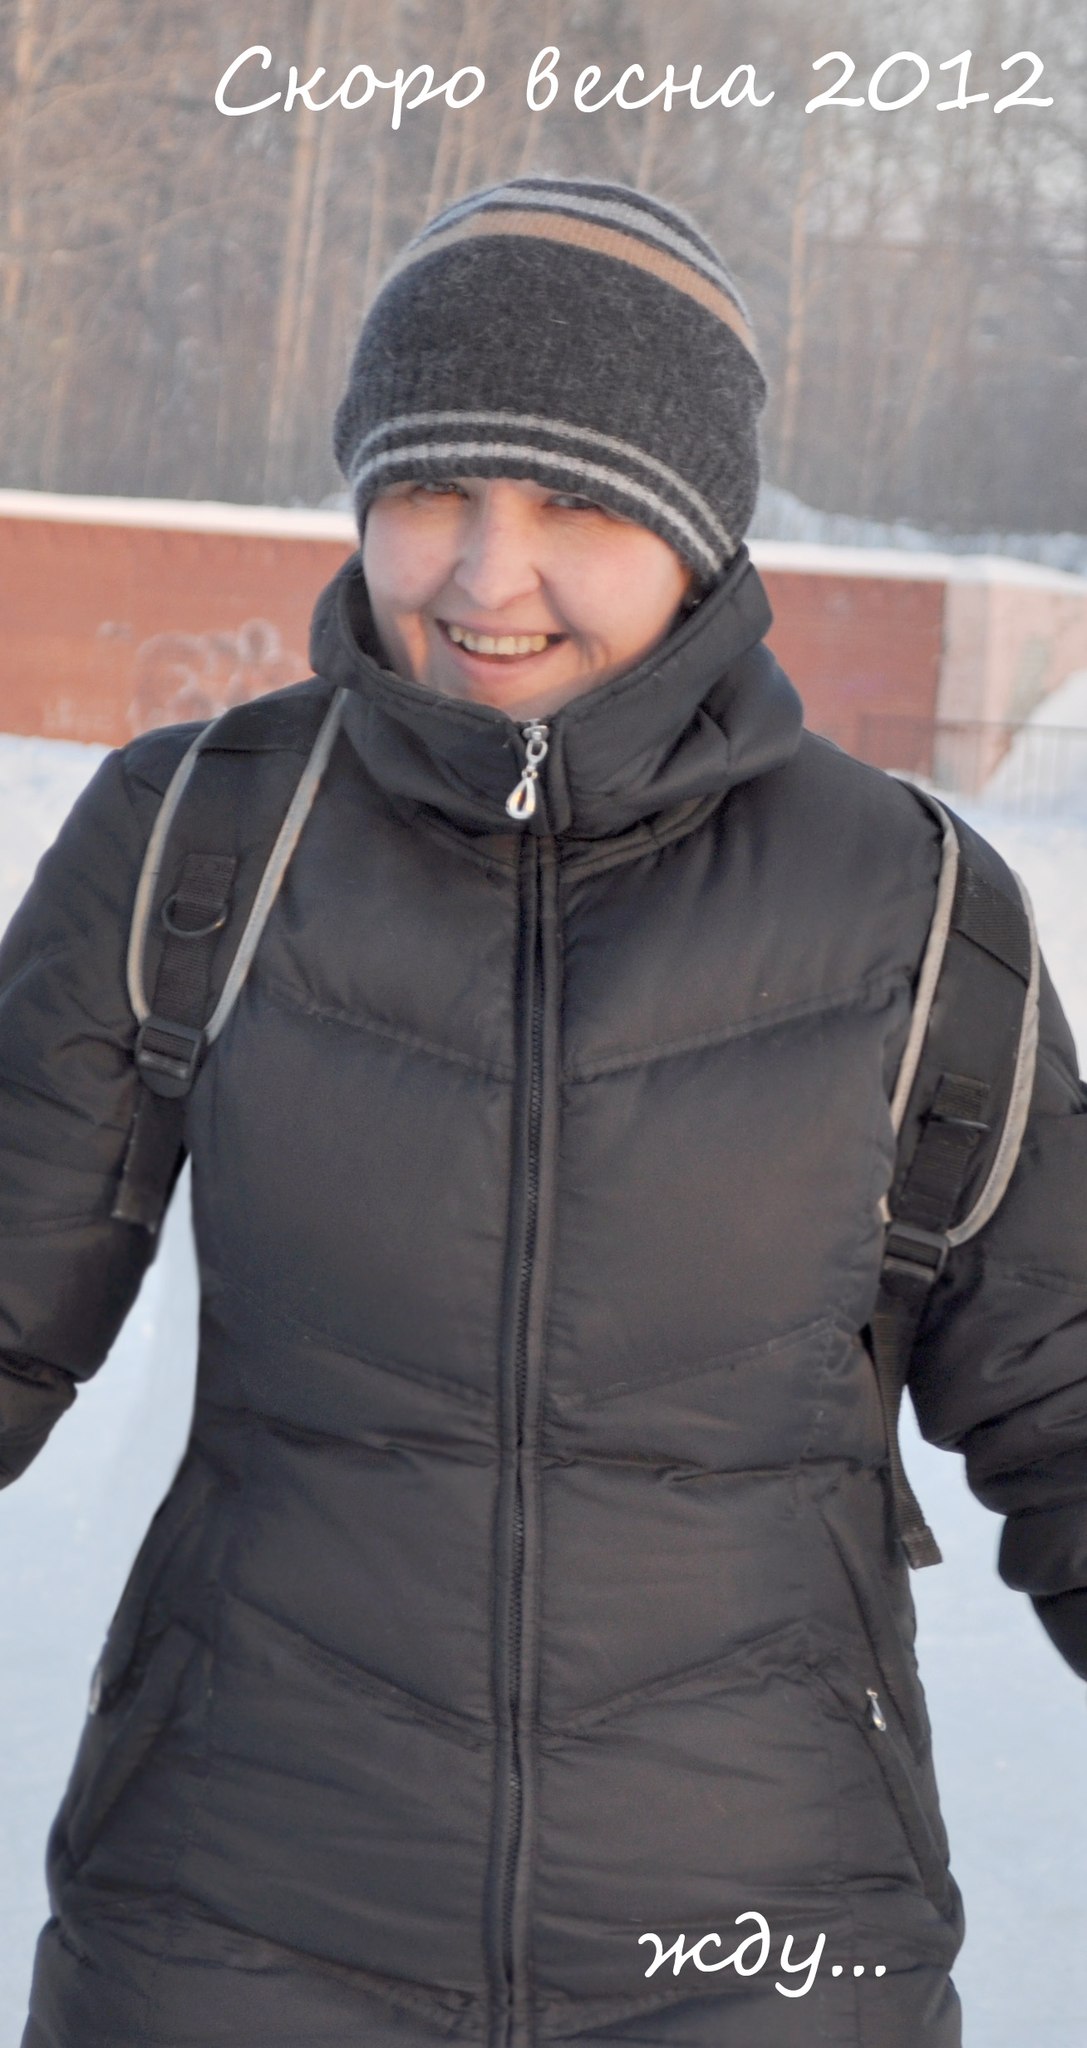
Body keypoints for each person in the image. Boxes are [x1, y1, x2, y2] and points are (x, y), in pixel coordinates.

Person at [2, 175, 1085, 2048]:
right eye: (432, 489)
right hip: (230, 1936)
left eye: (578, 503)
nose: (484, 580)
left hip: (760, 1956)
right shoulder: (201, 841)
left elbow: (1070, 1399)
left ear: (701, 528)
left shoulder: (912, 909)